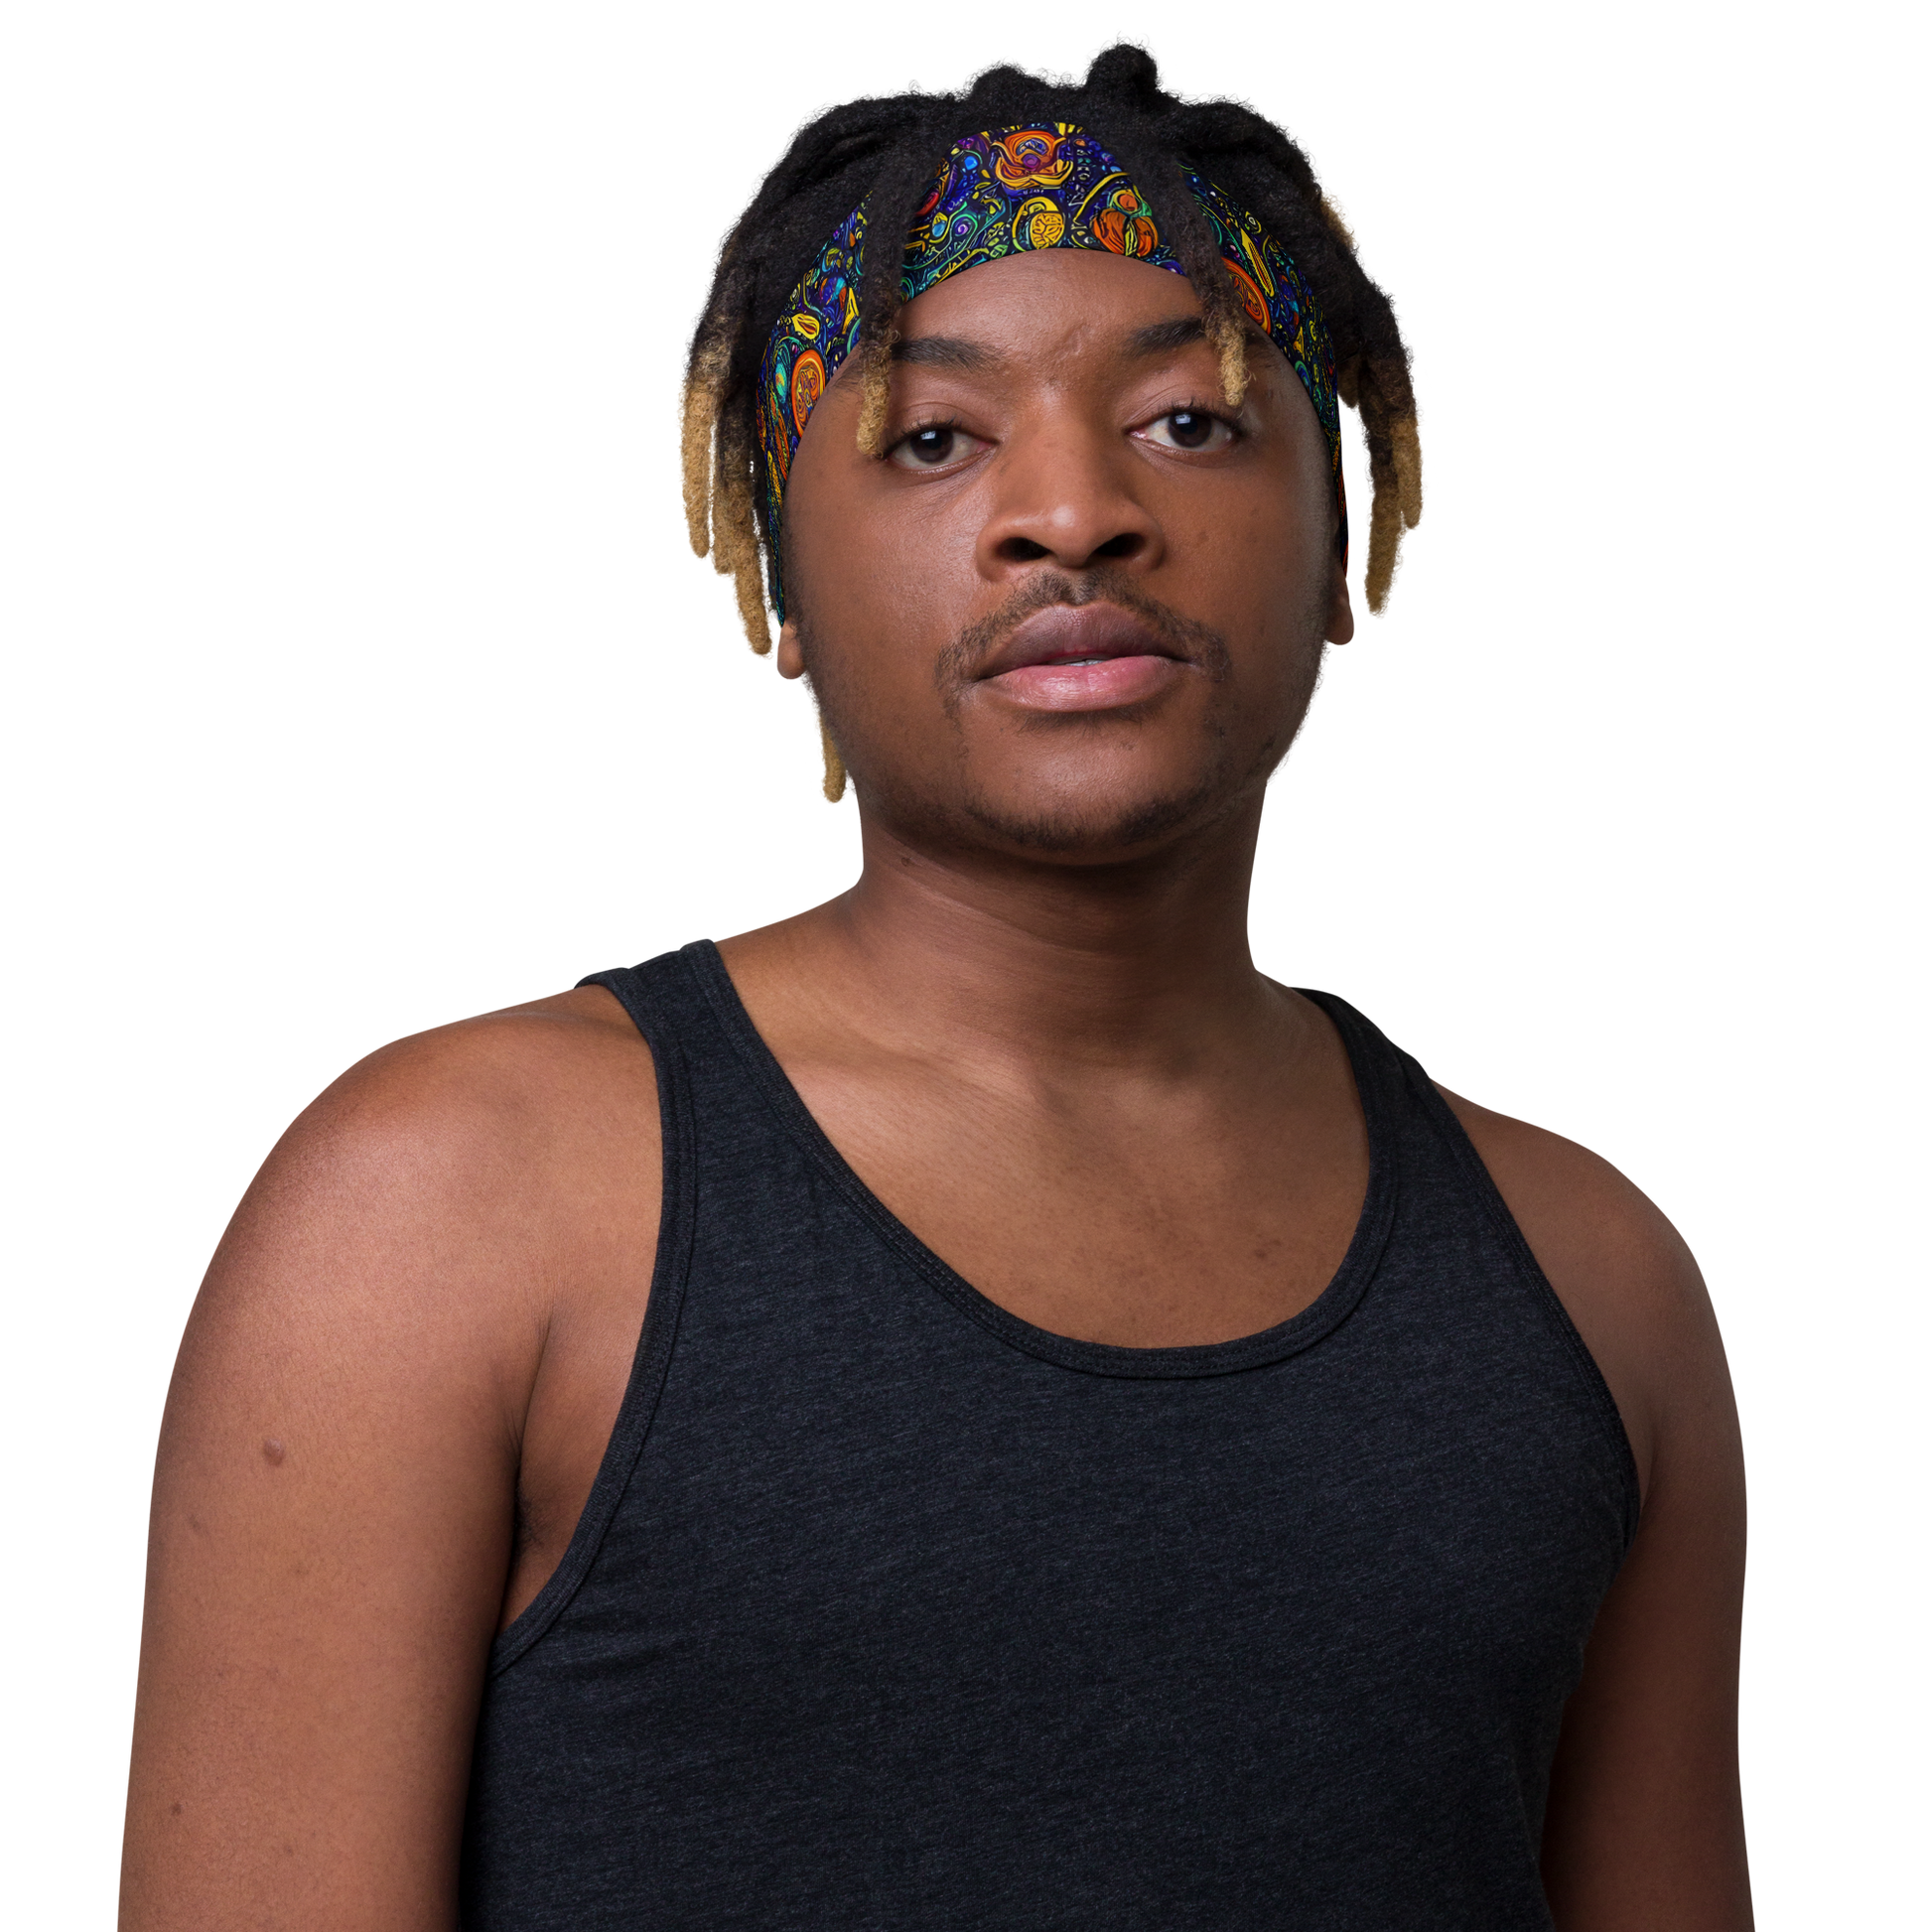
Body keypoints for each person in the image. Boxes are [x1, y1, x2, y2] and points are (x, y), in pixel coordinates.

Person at [118, 34, 1751, 1930]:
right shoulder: (439, 1201)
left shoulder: (1594, 1277)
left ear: (1348, 531)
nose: (1072, 512)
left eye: (1190, 419)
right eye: (931, 436)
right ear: (777, 592)